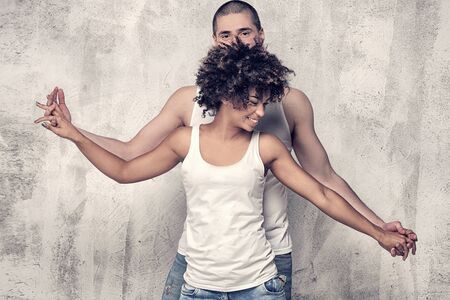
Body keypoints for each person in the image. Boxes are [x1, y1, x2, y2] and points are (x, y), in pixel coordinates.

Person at [36, 1, 417, 299]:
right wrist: (73, 130)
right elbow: (130, 154)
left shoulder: (289, 105)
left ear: (261, 36)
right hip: (200, 260)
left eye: (245, 31)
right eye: (225, 35)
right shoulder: (189, 104)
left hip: (266, 258)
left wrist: (377, 226)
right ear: (215, 42)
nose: (236, 41)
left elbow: (323, 181)